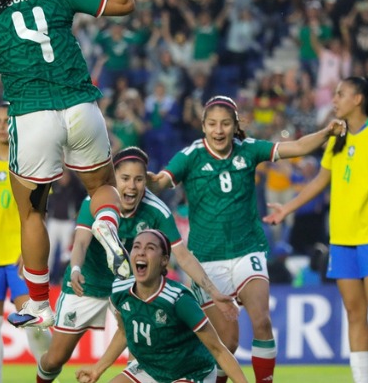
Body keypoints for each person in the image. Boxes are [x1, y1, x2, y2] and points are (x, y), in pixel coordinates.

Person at [0, 0, 136, 328]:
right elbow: (125, 3)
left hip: (31, 116)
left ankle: (39, 305)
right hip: (81, 107)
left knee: (32, 213)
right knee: (102, 187)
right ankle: (106, 223)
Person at [149, 95, 346, 383]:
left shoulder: (249, 149)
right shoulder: (190, 156)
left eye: (225, 124)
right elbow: (161, 181)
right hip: (206, 261)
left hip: (247, 250)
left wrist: (326, 132)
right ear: (203, 126)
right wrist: (146, 179)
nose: (219, 130)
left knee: (262, 321)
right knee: (227, 342)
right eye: (212, 124)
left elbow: (299, 146)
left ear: (235, 125)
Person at [264, 76, 368, 383]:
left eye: (341, 94)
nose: (334, 99)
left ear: (358, 99)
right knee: (354, 312)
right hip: (341, 238)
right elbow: (320, 181)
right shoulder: (336, 137)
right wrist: (287, 208)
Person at [36, 147, 236, 383]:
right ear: (113, 178)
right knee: (55, 359)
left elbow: (182, 256)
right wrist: (76, 269)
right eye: (125, 178)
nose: (132, 186)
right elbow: (80, 243)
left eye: (139, 179)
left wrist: (213, 291)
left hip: (128, 285)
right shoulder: (96, 200)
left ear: (145, 181)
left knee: (139, 359)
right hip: (86, 283)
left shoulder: (156, 210)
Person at [75, 229, 249, 383]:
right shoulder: (120, 291)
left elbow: (218, 350)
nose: (141, 252)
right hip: (150, 369)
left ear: (164, 260)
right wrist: (97, 369)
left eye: (150, 248)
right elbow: (124, 332)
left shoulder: (179, 299)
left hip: (191, 372)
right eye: (136, 247)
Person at [0, 102, 53, 382]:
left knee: (34, 324)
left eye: (7, 120)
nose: (1, 126)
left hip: (22, 256)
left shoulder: (31, 162)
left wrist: (31, 251)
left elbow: (40, 213)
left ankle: (49, 374)